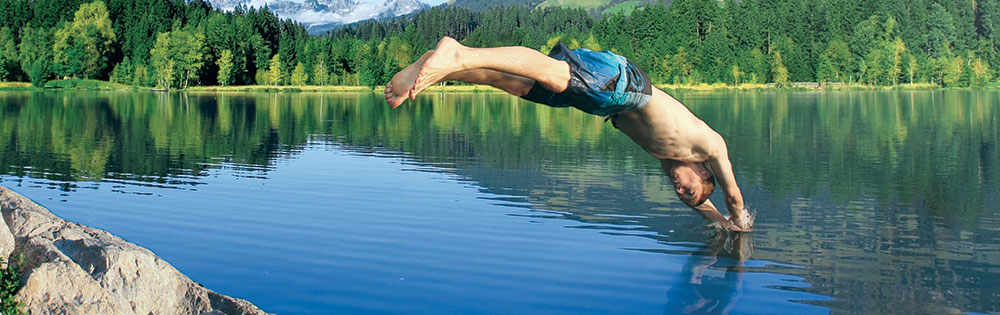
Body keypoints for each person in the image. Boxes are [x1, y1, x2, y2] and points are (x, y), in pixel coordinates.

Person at [384, 37, 753, 232]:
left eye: (681, 196)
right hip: (624, 86)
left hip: (605, 103)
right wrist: (740, 224)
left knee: (517, 85)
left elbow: (704, 204)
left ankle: (443, 65)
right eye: (688, 189)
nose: (679, 190)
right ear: (704, 172)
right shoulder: (709, 144)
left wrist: (718, 223)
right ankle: (459, 53)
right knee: (552, 73)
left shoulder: (668, 157)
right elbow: (733, 194)